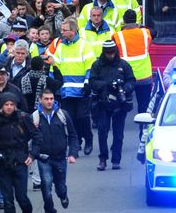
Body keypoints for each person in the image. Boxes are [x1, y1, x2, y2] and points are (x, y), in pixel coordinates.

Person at [32, 88, 79, 213]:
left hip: (60, 157)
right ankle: (50, 212)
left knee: (60, 186)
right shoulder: (34, 117)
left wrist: (72, 154)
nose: (49, 101)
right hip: (43, 158)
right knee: (46, 185)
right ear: (40, 100)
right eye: (46, 99)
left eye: (51, 99)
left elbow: (73, 135)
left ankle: (63, 195)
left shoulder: (63, 115)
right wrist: (31, 155)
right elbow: (28, 138)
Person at [51, 18, 96, 156]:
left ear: (73, 30)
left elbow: (90, 66)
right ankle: (75, 145)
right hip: (66, 90)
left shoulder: (84, 45)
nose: (61, 32)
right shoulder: (61, 46)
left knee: (82, 117)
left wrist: (88, 82)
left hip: (82, 90)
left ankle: (88, 139)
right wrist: (52, 82)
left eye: (64, 30)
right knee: (70, 119)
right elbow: (56, 65)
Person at [90, 40, 135, 171]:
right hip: (103, 103)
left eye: (113, 53)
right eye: (108, 53)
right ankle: (102, 159)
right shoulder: (97, 65)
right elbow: (92, 81)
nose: (111, 56)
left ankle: (116, 160)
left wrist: (124, 88)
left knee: (118, 133)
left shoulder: (123, 65)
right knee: (102, 132)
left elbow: (132, 80)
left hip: (120, 104)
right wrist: (106, 85)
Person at [112, 9, 153, 116]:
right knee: (144, 108)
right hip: (144, 76)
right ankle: (142, 131)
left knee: (122, 106)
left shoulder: (117, 36)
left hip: (126, 77)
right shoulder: (146, 33)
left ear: (124, 21)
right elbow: (152, 33)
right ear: (136, 20)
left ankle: (119, 131)